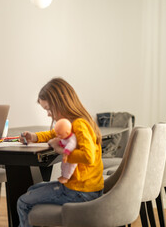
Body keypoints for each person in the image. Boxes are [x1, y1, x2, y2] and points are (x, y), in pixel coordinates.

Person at [17, 77, 104, 227]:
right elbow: (52, 134)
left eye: (48, 109)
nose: (48, 114)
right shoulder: (75, 123)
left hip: (80, 191)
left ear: (60, 103)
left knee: (23, 202)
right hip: (86, 188)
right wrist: (34, 137)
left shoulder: (79, 125)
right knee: (32, 189)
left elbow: (88, 157)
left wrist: (61, 150)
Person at [54, 118, 78, 184]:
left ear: (67, 132)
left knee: (69, 167)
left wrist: (65, 154)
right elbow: (62, 142)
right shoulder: (64, 136)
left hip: (72, 157)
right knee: (63, 166)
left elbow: (70, 145)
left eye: (59, 134)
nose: (58, 135)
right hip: (67, 157)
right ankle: (63, 176)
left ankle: (66, 177)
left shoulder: (72, 139)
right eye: (57, 133)